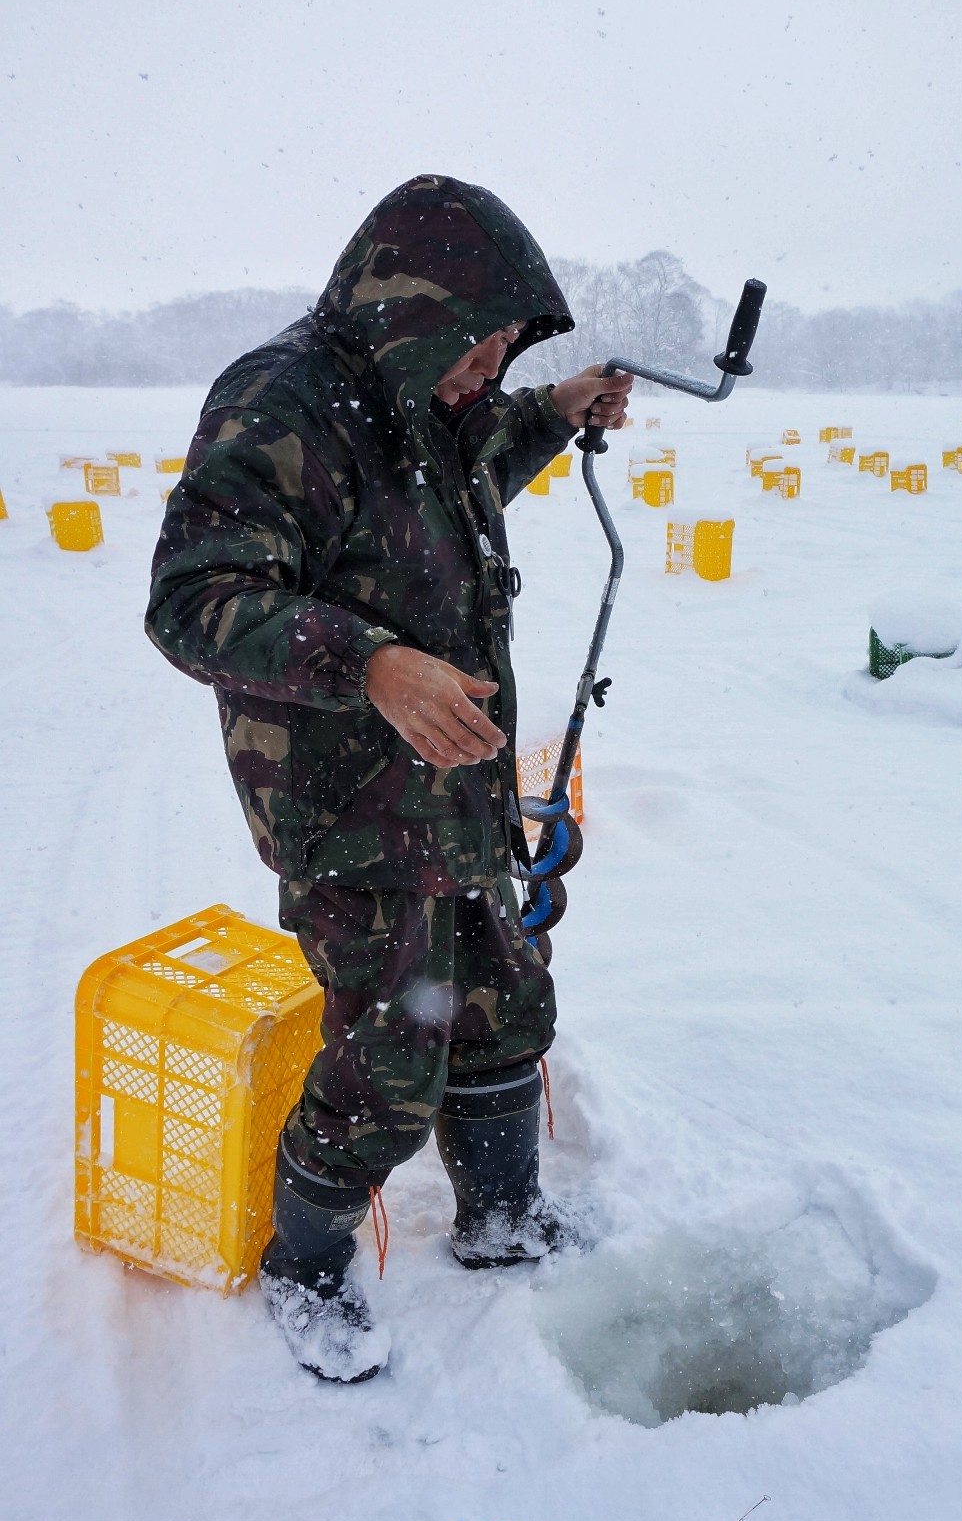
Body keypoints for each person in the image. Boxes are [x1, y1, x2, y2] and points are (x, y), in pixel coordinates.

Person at [146, 175, 631, 1383]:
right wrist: (369, 664)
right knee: (384, 1060)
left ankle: (501, 1216)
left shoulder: (417, 394)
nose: (489, 373)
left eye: (507, 353)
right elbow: (191, 600)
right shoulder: (283, 400)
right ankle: (304, 1275)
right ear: (418, 311)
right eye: (485, 348)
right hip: (350, 804)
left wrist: (556, 409)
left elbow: (458, 468)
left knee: (503, 1000)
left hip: (452, 781)